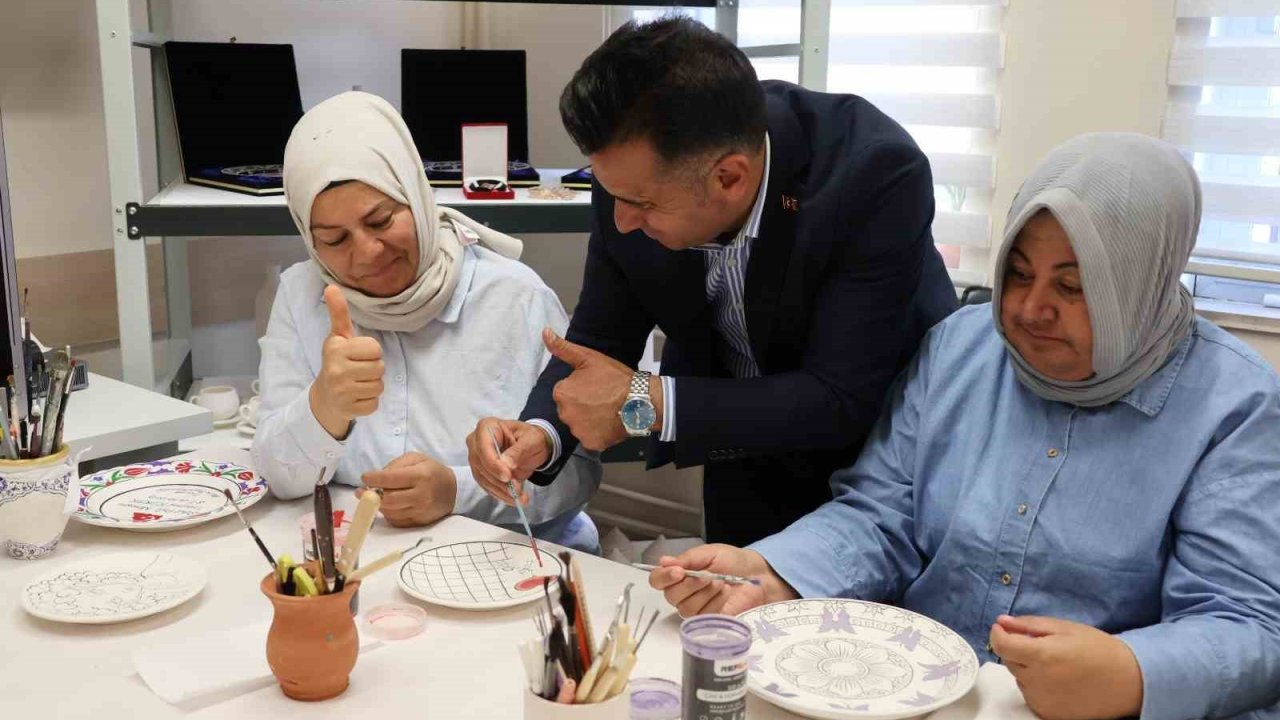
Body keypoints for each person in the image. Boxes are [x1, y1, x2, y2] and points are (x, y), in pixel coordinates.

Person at [647, 133, 1280, 719]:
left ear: (1141, 284)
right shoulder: (962, 348)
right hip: (922, 696)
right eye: (1020, 273)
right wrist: (775, 571)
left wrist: (1133, 671)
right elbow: (880, 514)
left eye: (1075, 285)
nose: (1031, 309)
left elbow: (1249, 622)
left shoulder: (1233, 406)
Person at [466, 16, 957, 546]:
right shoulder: (634, 175)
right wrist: (538, 435)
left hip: (879, 470)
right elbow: (601, 339)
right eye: (612, 194)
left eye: (641, 204)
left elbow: (840, 398)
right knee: (735, 618)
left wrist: (647, 402)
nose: (621, 221)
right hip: (738, 452)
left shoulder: (873, 174)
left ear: (729, 177)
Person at [252, 91, 602, 552]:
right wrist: (324, 407)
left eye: (380, 220)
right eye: (333, 239)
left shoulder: (513, 296)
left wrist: (457, 491)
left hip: (509, 558)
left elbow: (577, 472)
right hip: (365, 559)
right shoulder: (303, 296)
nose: (367, 254)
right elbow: (277, 476)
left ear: (415, 195)